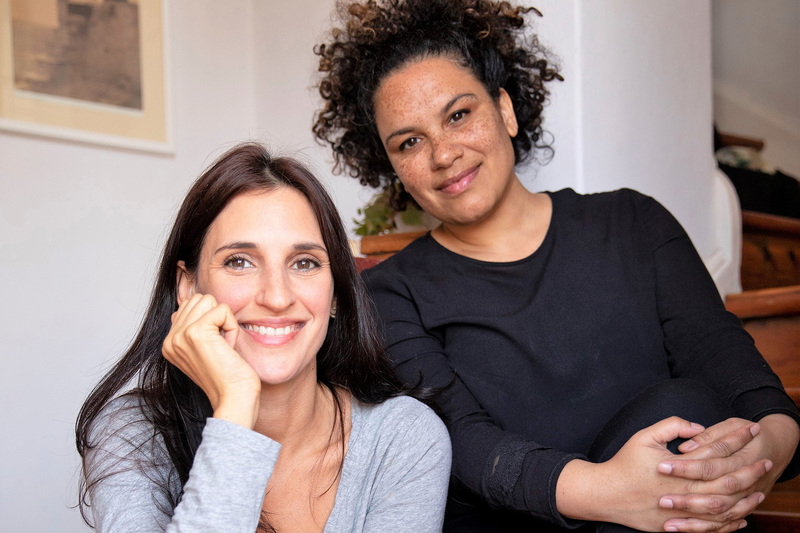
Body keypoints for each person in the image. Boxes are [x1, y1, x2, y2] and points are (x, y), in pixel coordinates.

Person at [312, 1, 800, 531]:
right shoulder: (388, 293)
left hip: (676, 515)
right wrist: (610, 493)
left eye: (459, 115)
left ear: (504, 109)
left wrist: (760, 455)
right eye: (409, 141)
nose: (443, 154)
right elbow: (465, 443)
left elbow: (738, 375)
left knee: (686, 412)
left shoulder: (633, 223)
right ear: (393, 167)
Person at [75, 143, 451, 532]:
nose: (276, 296)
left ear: (336, 294)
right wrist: (236, 409)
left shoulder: (403, 438)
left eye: (304, 263)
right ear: (187, 288)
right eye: (239, 261)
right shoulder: (133, 434)